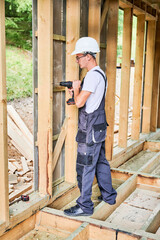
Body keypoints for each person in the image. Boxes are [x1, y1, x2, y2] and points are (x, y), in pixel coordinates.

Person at [64, 37, 117, 217]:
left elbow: (79, 103)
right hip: (98, 128)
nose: (77, 60)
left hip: (90, 130)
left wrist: (76, 87)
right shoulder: (100, 73)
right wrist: (75, 92)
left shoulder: (93, 76)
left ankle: (85, 206)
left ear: (88, 56)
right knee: (101, 162)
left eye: (78, 57)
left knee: (85, 166)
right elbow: (85, 102)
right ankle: (109, 196)